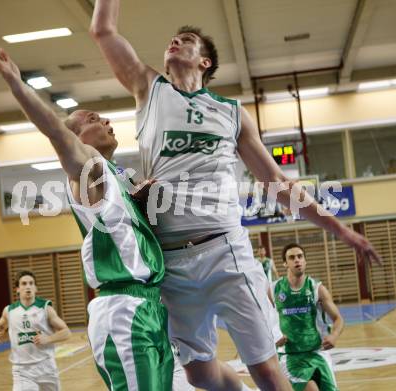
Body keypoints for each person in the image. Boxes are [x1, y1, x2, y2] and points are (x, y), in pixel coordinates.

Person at [90, 2, 380, 390]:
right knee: (199, 374)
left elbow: (278, 183)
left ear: (204, 62)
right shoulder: (150, 88)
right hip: (172, 262)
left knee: (265, 368)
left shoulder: (230, 112)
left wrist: (341, 230)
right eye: (173, 40)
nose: (175, 41)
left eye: (187, 40)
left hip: (224, 251)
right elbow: (103, 31)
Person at [0, 47, 175, 391]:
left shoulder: (116, 179)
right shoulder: (89, 169)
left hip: (150, 305)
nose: (108, 121)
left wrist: (139, 204)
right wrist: (17, 85)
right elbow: (55, 131)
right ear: (78, 137)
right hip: (123, 308)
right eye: (95, 119)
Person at [273, 244, 344, 391]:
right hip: (290, 356)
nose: (297, 260)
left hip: (317, 352)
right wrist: (274, 336)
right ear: (285, 263)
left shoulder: (317, 289)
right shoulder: (274, 289)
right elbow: (261, 320)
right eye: (292, 258)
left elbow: (338, 318)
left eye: (300, 256)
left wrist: (334, 335)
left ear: (305, 261)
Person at [0, 270, 71, 391]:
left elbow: (66, 332)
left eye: (31, 283)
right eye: (24, 283)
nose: (28, 286)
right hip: (22, 370)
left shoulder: (45, 308)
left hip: (46, 366)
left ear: (36, 288)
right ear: (17, 289)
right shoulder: (9, 311)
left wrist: (48, 338)